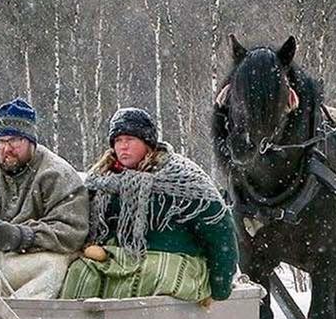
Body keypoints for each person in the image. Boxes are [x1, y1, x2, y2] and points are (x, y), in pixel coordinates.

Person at [62, 108, 237, 304]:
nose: (123, 147)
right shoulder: (101, 179)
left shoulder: (183, 178)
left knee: (153, 275)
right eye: (118, 141)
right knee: (79, 273)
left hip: (174, 259)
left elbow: (220, 232)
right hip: (116, 259)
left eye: (130, 139)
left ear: (148, 143)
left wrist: (220, 286)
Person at [0, 98, 89, 298]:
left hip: (34, 258)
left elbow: (72, 231)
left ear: (30, 141)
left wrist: (23, 236)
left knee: (53, 267)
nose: (6, 149)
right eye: (1, 142)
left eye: (14, 141)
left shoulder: (56, 174)